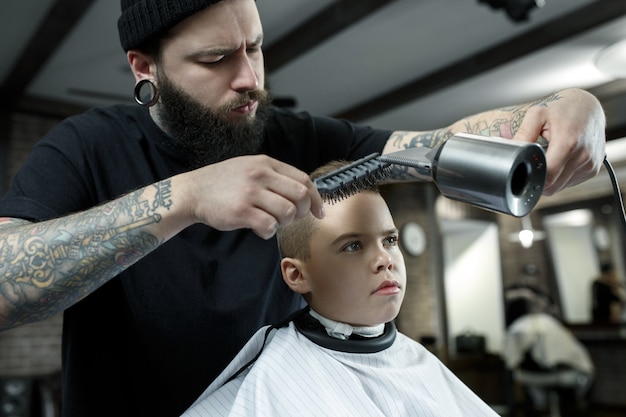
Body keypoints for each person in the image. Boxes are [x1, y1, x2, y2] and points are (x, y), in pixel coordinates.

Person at [0, 0, 606, 415]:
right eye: (215, 60)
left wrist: (568, 106)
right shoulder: (86, 147)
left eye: (255, 49)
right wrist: (184, 199)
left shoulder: (293, 137)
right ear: (144, 68)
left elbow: (423, 149)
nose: (249, 79)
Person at [182, 161, 500, 417]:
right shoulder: (271, 378)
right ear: (296, 275)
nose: (384, 260)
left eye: (390, 240)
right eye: (353, 246)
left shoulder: (417, 360)